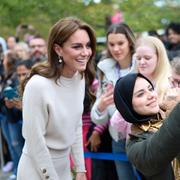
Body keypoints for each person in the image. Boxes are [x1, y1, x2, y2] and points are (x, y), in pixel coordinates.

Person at [17, 16, 96, 180]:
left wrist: (81, 168)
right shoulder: (38, 85)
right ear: (58, 49)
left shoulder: (79, 78)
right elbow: (35, 141)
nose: (85, 52)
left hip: (65, 169)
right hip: (36, 170)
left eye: (88, 45)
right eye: (77, 46)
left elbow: (75, 125)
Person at [90, 22, 136, 179]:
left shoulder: (142, 64)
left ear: (129, 41)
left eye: (120, 43)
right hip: (117, 138)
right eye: (112, 44)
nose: (116, 49)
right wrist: (101, 106)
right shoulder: (104, 69)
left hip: (141, 137)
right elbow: (98, 116)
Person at [114, 73, 180, 180]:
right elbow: (162, 145)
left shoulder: (169, 111)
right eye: (140, 94)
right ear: (127, 105)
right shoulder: (134, 144)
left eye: (151, 89)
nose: (151, 96)